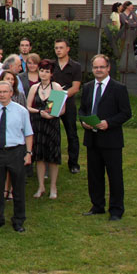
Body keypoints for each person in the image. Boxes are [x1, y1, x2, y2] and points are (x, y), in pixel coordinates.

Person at [80, 55, 132, 221]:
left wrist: (108, 123)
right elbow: (82, 109)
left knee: (114, 176)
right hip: (92, 139)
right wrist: (84, 122)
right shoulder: (88, 87)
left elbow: (126, 113)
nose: (99, 70)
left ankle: (116, 210)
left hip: (111, 140)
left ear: (108, 68)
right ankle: (97, 206)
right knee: (94, 175)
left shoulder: (118, 88)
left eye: (102, 67)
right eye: (96, 67)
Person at [0, 80, 34, 232]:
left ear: (11, 93)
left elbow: (28, 134)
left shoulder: (21, 111)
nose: (2, 95)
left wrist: (28, 153)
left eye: (5, 92)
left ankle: (19, 220)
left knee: (18, 188)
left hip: (16, 152)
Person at [26, 59, 64, 200]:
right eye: (41, 71)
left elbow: (61, 109)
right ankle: (41, 186)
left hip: (51, 125)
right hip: (38, 125)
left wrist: (52, 115)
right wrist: (39, 112)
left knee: (52, 157)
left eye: (47, 71)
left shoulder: (56, 87)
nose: (43, 74)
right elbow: (28, 106)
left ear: (51, 73)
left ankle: (53, 186)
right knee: (39, 156)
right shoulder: (34, 88)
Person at [53, 39, 83, 174]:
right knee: (52, 133)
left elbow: (75, 88)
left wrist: (61, 96)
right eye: (56, 48)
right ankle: (52, 161)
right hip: (53, 100)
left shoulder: (75, 66)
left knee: (71, 133)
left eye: (61, 47)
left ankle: (73, 163)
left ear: (68, 49)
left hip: (68, 102)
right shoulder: (52, 65)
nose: (58, 50)